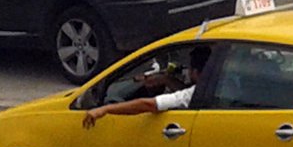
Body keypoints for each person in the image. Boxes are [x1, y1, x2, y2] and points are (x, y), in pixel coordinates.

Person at [82, 46, 210, 127]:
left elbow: (150, 105)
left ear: (195, 73)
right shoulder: (219, 86)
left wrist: (105, 109)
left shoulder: (196, 93)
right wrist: (166, 80)